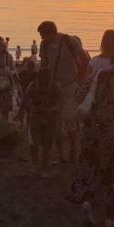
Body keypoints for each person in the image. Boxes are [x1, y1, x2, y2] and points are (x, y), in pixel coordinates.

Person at [69, 48, 114, 227]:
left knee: (93, 168)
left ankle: (89, 202)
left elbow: (78, 97)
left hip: (93, 133)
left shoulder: (96, 77)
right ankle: (110, 217)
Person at [38, 20, 89, 164]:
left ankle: (73, 148)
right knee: (56, 122)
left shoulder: (70, 41)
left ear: (50, 32)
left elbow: (85, 60)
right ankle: (61, 155)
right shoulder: (45, 45)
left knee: (69, 118)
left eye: (43, 35)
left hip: (70, 85)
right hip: (54, 86)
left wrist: (78, 79)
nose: (42, 39)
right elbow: (44, 65)